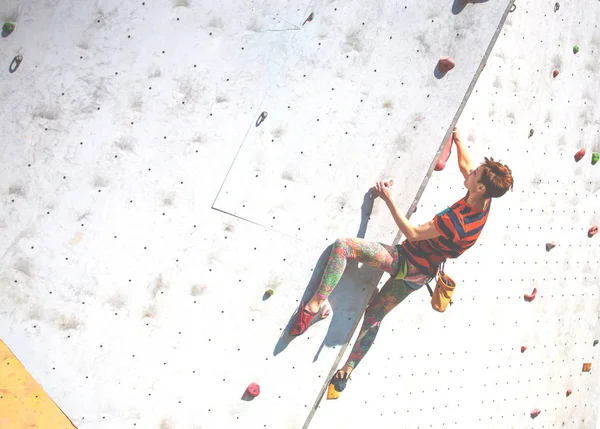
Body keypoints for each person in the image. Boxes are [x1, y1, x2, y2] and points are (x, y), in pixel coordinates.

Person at [289, 128, 514, 393]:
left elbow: (413, 233)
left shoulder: (458, 222)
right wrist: (458, 138)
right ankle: (346, 372)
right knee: (374, 315)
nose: (471, 171)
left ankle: (313, 307)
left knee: (344, 247)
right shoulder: (483, 200)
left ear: (479, 187)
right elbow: (466, 166)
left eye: (476, 174)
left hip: (406, 260)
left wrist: (388, 198)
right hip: (421, 276)